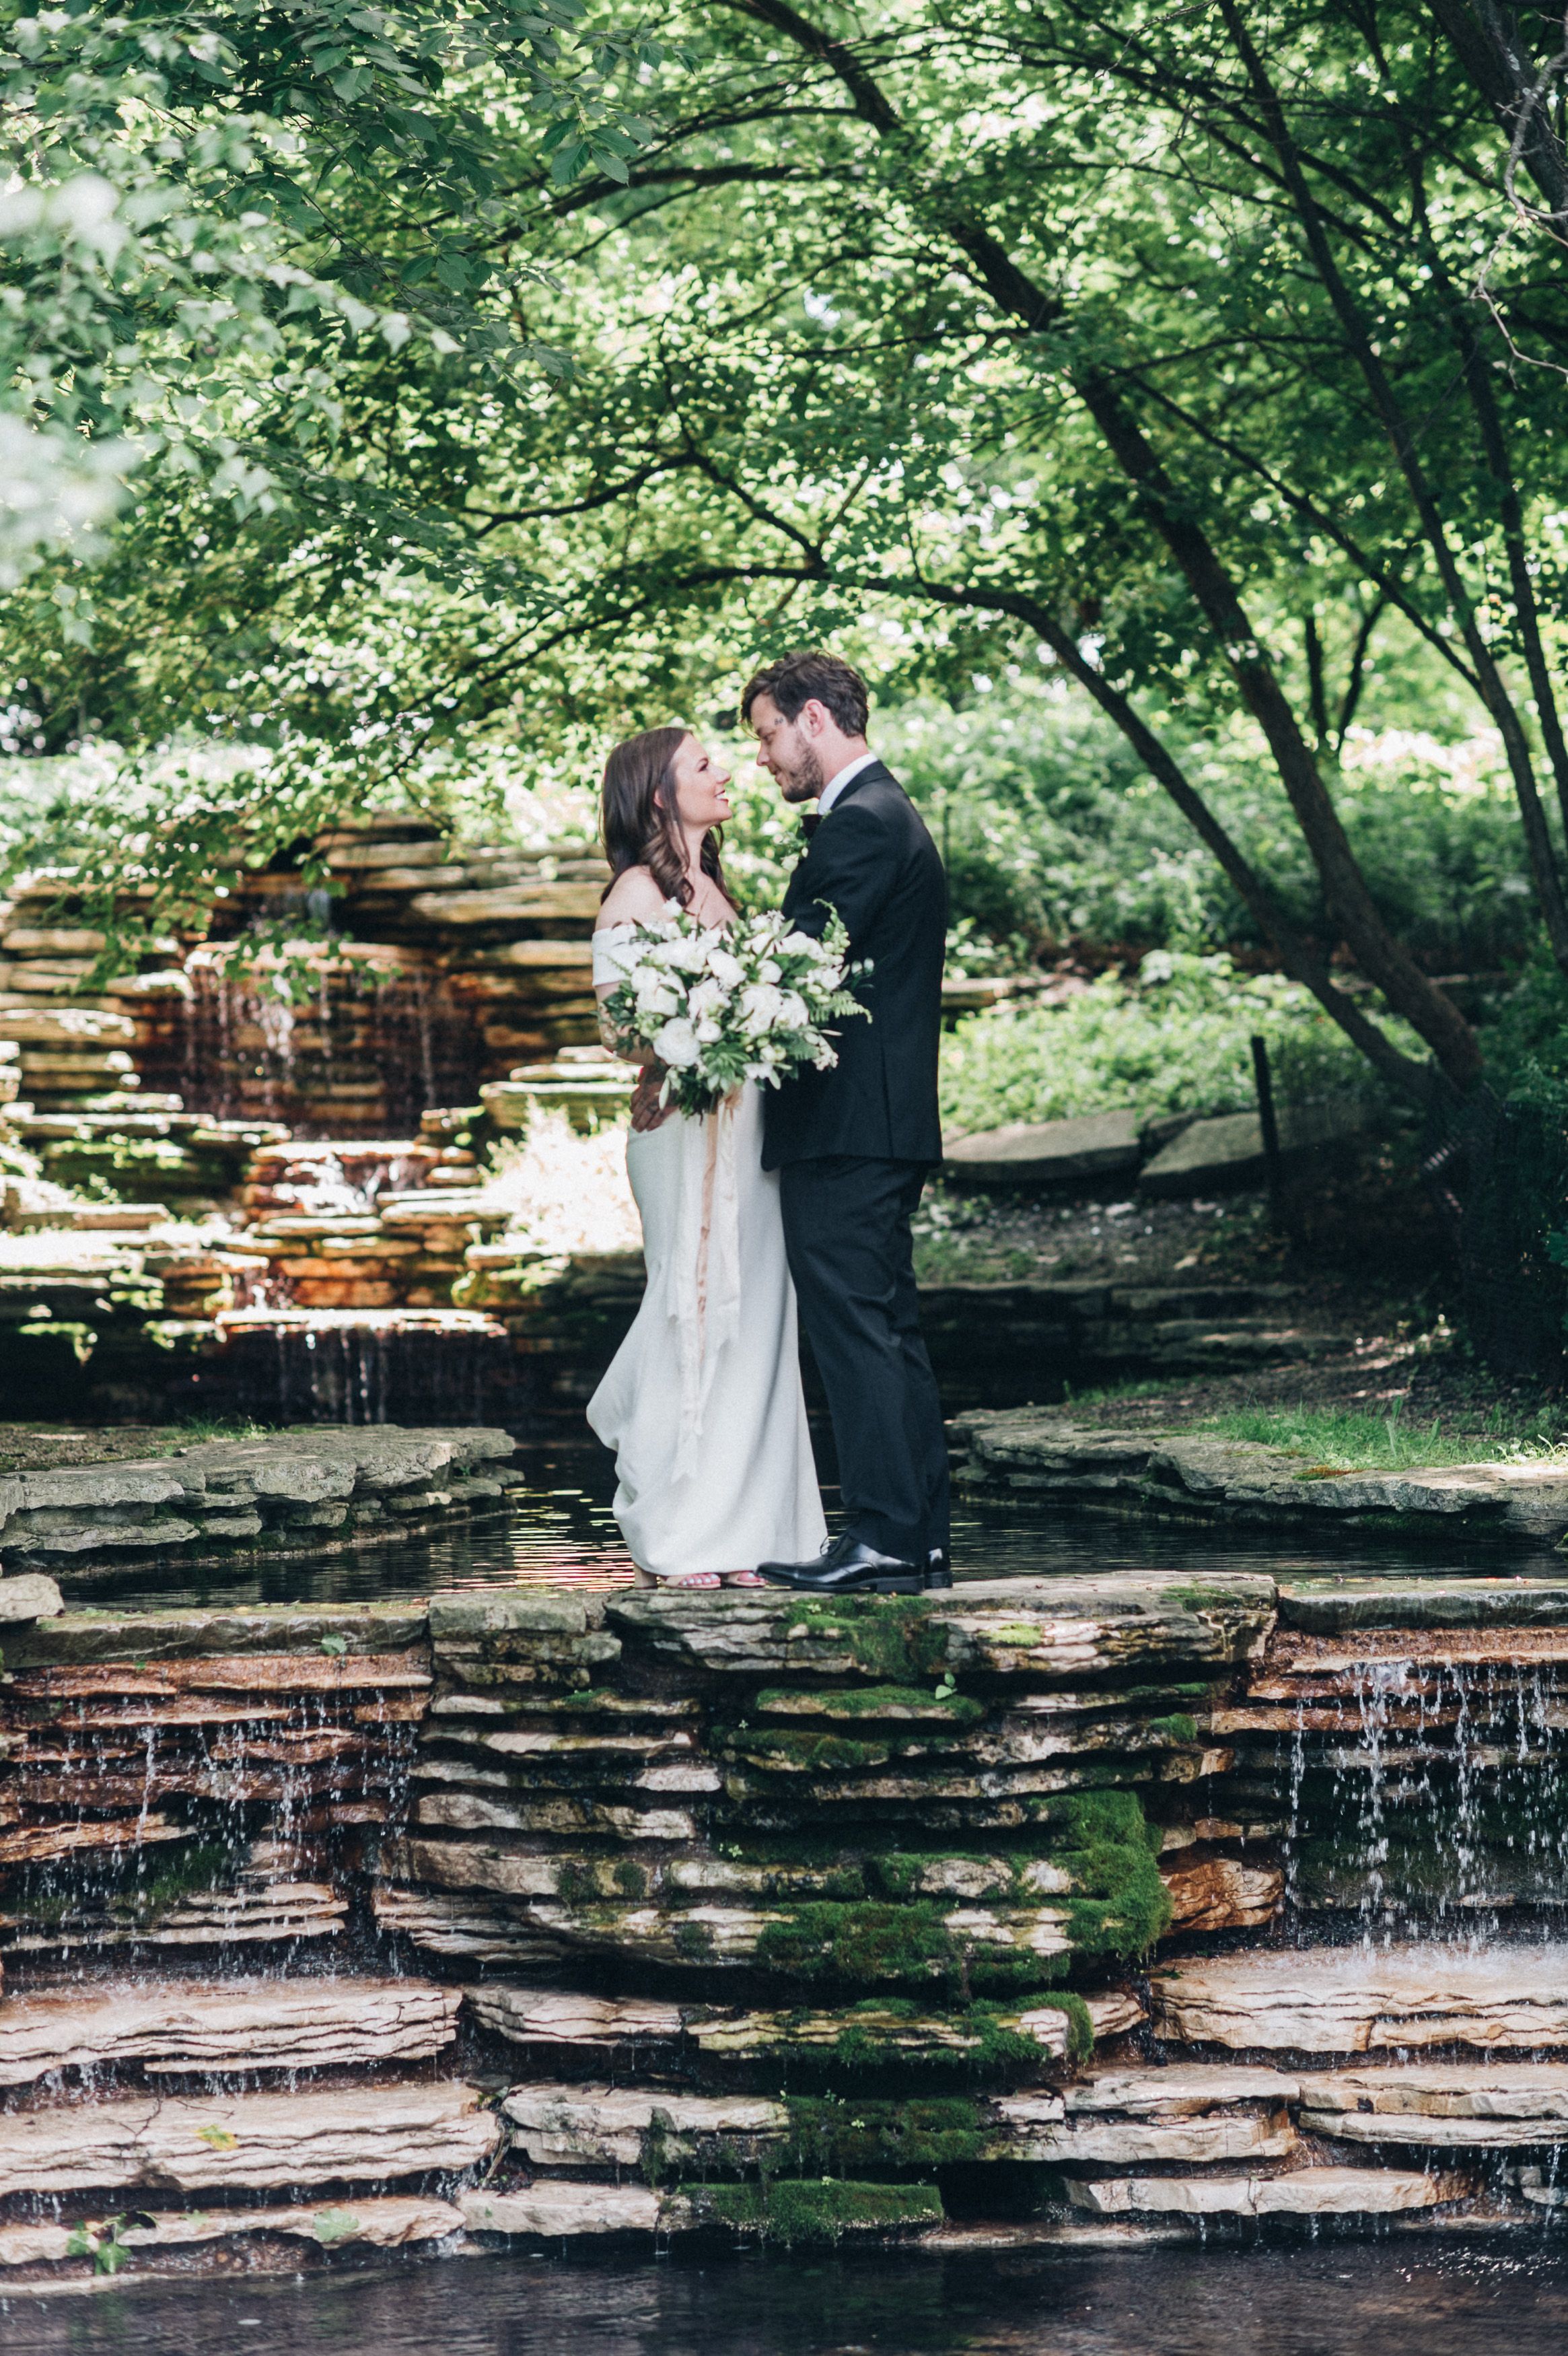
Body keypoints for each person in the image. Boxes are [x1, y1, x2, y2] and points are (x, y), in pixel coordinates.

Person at [585, 724, 826, 1588]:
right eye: (703, 764)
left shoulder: (714, 890)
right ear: (658, 794)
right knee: (692, 1306)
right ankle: (682, 1535)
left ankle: (756, 1532)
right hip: (683, 1133)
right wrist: (694, 1035)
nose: (727, 771)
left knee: (755, 1315)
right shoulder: (635, 893)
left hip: (749, 1132)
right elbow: (620, 1028)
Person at [742, 649, 952, 1595]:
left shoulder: (861, 826)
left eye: (767, 735)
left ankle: (881, 1536)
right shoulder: (882, 816)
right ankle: (917, 1537)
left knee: (854, 1332)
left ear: (814, 720)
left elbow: (795, 972)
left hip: (846, 1125)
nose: (762, 759)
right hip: (875, 1123)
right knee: (886, 1327)